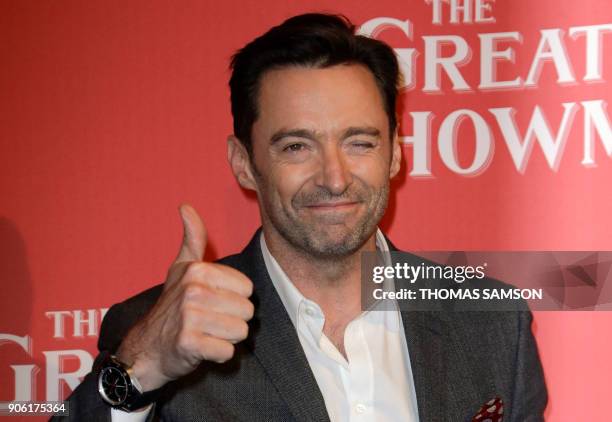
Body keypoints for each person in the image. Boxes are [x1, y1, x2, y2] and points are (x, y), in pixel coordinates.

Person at [58, 13, 547, 421]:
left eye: (360, 142)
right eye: (297, 146)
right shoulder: (161, 332)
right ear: (243, 163)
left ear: (395, 154)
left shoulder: (490, 319)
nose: (334, 177)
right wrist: (141, 367)